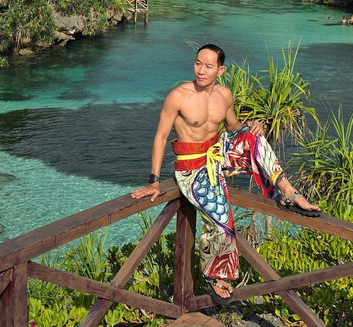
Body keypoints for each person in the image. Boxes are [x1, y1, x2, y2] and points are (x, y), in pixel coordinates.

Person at [131, 44, 320, 306]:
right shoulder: (178, 96)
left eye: (208, 66)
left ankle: (289, 192)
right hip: (190, 166)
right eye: (198, 63)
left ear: (220, 70)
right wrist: (153, 181)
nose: (201, 70)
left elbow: (232, 127)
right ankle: (215, 273)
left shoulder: (224, 95)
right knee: (221, 215)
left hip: (216, 156)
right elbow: (161, 137)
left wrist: (253, 126)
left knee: (255, 139)